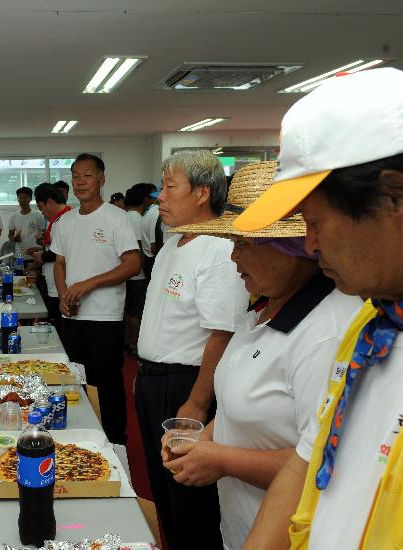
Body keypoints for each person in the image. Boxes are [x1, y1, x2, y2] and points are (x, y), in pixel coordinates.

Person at [234, 69, 403, 549]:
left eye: (315, 223)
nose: (309, 245)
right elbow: (306, 464)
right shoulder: (372, 328)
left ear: (398, 198)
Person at [158, 161, 362, 550]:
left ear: (293, 249)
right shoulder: (264, 309)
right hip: (242, 524)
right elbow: (243, 406)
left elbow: (323, 461)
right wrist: (202, 438)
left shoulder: (326, 332)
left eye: (245, 244)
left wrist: (220, 460)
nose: (234, 258)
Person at [135, 149, 249, 550]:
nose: (160, 197)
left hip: (185, 387)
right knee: (165, 492)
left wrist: (197, 404)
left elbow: (222, 333)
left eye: (170, 187)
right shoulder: (172, 246)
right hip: (152, 381)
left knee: (190, 501)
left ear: (202, 193)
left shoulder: (218, 249)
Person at [52, 153, 142, 444]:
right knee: (75, 380)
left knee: (108, 382)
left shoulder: (117, 218)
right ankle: (81, 437)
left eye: (87, 175)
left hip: (105, 317)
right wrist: (62, 293)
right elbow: (60, 263)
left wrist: (89, 284)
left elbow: (132, 264)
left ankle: (115, 442)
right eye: (75, 175)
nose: (80, 181)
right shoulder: (64, 222)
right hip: (73, 316)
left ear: (101, 179)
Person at [32, 183, 72, 338]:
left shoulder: (65, 220)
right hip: (54, 285)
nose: (41, 212)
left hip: (60, 287)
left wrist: (41, 256)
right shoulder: (59, 220)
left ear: (50, 201)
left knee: (60, 331)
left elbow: (62, 253)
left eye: (41, 206)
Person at [122, 185, 151, 356]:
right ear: (145, 198)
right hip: (136, 274)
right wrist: (139, 268)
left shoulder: (129, 216)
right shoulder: (136, 218)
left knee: (130, 309)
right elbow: (137, 246)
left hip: (130, 273)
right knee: (135, 311)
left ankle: (129, 341)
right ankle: (134, 344)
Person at [8, 186, 45, 253]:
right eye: (20, 197)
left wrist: (40, 240)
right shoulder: (14, 216)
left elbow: (44, 232)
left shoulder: (38, 214)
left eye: (25, 197)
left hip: (36, 253)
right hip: (20, 254)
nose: (22, 200)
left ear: (30, 199)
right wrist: (14, 239)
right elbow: (10, 235)